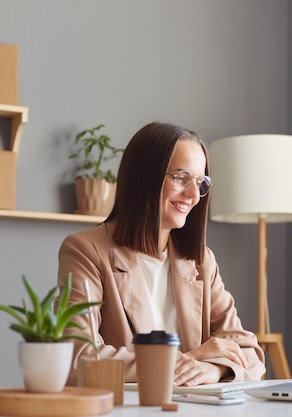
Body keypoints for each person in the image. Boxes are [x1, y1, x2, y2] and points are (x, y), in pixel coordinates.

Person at [58, 121, 266, 387]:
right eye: (181, 178)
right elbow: (79, 359)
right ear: (145, 177)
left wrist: (213, 371)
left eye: (200, 181)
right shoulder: (86, 251)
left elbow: (249, 352)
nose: (193, 194)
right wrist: (183, 359)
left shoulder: (202, 261)